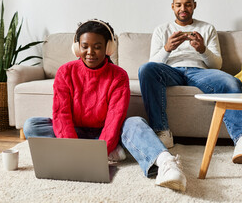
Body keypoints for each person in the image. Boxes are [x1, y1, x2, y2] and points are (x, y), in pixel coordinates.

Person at [23, 19, 187, 192]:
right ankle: (107, 151)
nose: (90, 52)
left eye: (97, 46)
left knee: (136, 122)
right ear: (77, 47)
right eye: (85, 46)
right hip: (75, 131)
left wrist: (100, 150)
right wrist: (75, 150)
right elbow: (61, 113)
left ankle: (167, 164)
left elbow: (114, 118)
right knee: (31, 125)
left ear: (108, 48)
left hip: (109, 133)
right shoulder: (65, 72)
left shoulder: (119, 76)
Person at [138, 0, 242, 164]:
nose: (183, 9)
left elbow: (216, 65)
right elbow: (153, 64)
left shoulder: (207, 28)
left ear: (194, 5)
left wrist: (202, 49)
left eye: (187, 4)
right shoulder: (161, 30)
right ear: (172, 7)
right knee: (145, 69)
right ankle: (162, 132)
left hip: (200, 71)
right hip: (170, 71)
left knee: (231, 81)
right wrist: (167, 49)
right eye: (179, 5)